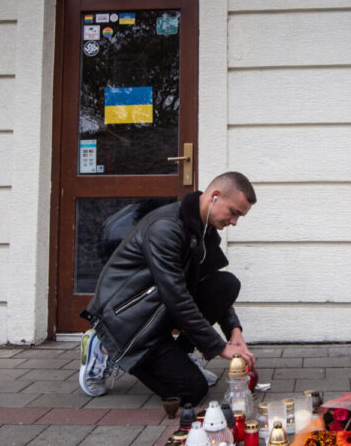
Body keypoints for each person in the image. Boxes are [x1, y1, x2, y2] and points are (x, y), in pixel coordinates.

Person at [79, 172, 259, 406]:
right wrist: (219, 347)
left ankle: (180, 355)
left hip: (157, 315)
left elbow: (208, 282)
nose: (234, 222)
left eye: (239, 217)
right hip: (128, 323)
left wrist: (234, 330)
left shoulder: (204, 229)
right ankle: (104, 348)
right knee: (191, 392)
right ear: (215, 196)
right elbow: (177, 298)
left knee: (226, 284)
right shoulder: (165, 228)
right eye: (233, 212)